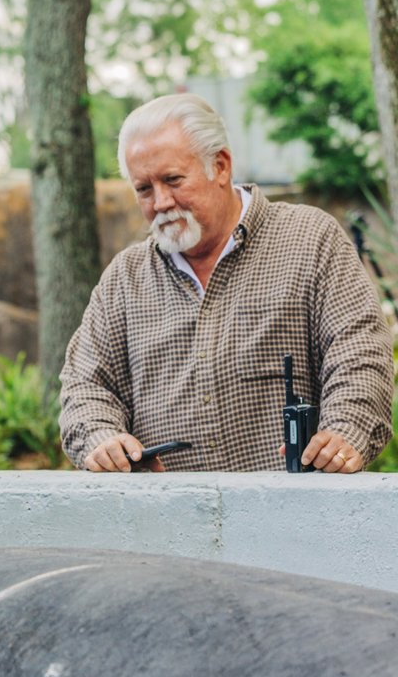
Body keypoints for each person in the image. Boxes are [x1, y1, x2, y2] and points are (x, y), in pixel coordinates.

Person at [59, 93, 393, 473]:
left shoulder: (310, 239)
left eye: (173, 180)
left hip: (298, 517)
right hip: (170, 524)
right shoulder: (125, 279)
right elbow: (85, 386)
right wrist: (102, 439)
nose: (161, 201)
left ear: (219, 166)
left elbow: (359, 351)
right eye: (144, 189)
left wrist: (344, 431)